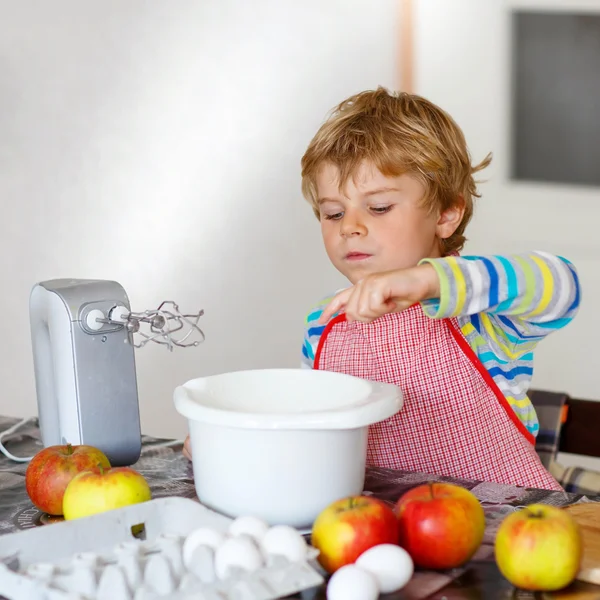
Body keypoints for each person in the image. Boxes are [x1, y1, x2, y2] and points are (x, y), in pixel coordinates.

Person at [185, 87, 580, 491]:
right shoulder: (323, 326)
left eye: (378, 207)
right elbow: (311, 431)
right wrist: (234, 441)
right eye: (333, 212)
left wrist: (428, 279)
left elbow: (561, 283)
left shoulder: (480, 312)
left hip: (504, 527)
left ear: (446, 214)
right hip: (380, 527)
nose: (349, 226)